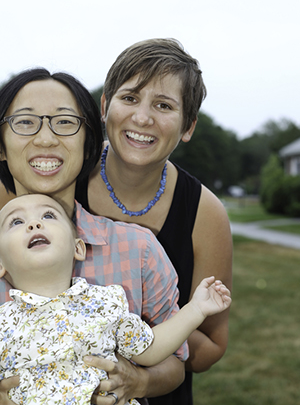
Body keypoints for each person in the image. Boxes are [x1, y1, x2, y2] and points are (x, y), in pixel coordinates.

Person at [0, 69, 188, 405]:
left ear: (89, 141)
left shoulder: (139, 249)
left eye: (65, 122)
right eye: (25, 122)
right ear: (1, 145)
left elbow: (175, 363)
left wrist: (137, 381)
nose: (45, 139)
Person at [84, 38, 233, 405]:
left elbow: (212, 345)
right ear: (106, 105)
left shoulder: (205, 213)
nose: (142, 118)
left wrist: (142, 338)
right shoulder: (63, 179)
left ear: (188, 126)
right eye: (130, 98)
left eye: (164, 105)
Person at [0, 193, 231, 405]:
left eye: (48, 215)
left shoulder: (104, 304)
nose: (34, 224)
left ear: (78, 247)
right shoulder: (3, 323)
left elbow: (149, 347)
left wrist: (196, 309)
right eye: (16, 222)